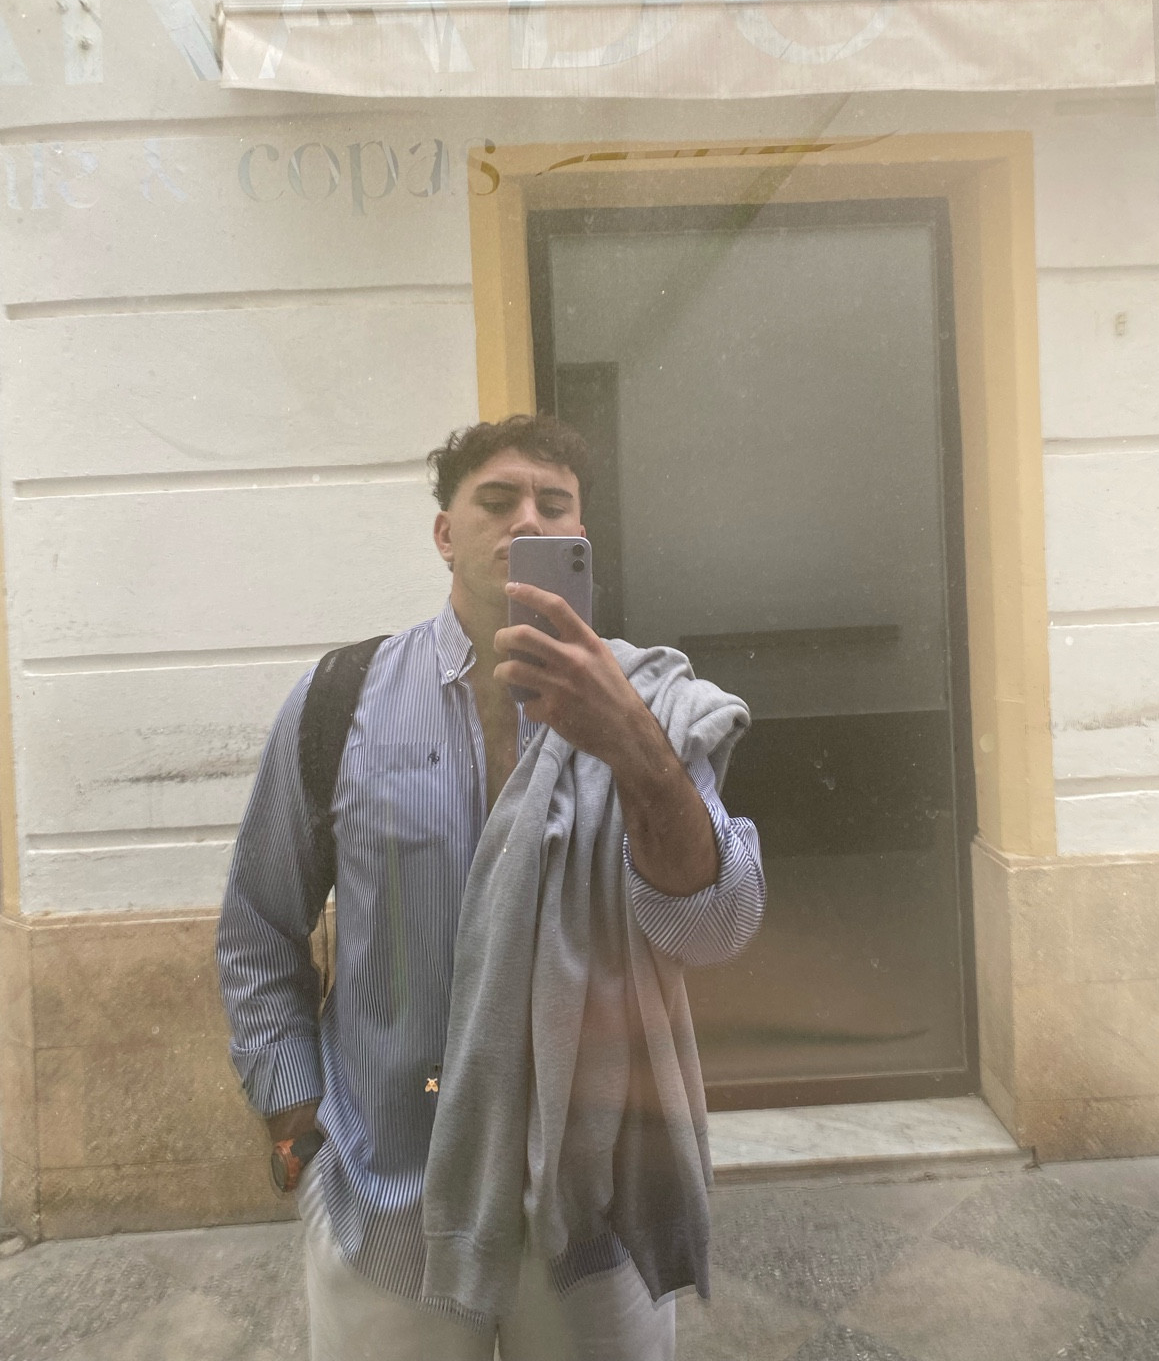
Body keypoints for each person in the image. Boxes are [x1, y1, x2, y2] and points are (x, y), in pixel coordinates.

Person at [217, 413, 765, 1361]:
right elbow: (259, 925)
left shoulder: (651, 705)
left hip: (590, 1210)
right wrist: (295, 1118)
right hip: (390, 1199)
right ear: (445, 534)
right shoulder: (339, 701)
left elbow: (717, 926)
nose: (527, 520)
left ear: (580, 538)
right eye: (497, 500)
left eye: (554, 505)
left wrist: (633, 747)